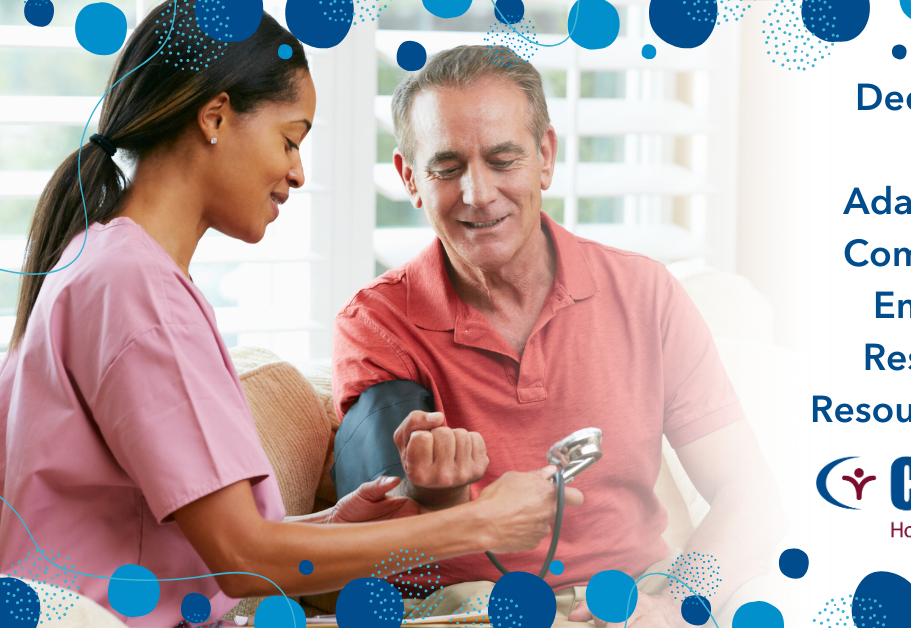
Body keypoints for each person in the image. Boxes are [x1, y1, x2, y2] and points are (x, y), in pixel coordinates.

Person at [0, 7, 579, 626]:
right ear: (215, 117)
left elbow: (196, 544)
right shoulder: (134, 288)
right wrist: (476, 522)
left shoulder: (105, 263)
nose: (298, 172)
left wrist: (333, 525)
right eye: (290, 139)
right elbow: (243, 559)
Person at [332, 45, 786, 627]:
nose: (477, 193)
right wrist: (438, 497)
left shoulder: (643, 291)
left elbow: (748, 494)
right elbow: (376, 559)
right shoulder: (377, 324)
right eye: (447, 167)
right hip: (472, 610)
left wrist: (674, 606)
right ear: (410, 178)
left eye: (503, 159)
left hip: (640, 599)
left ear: (545, 156)